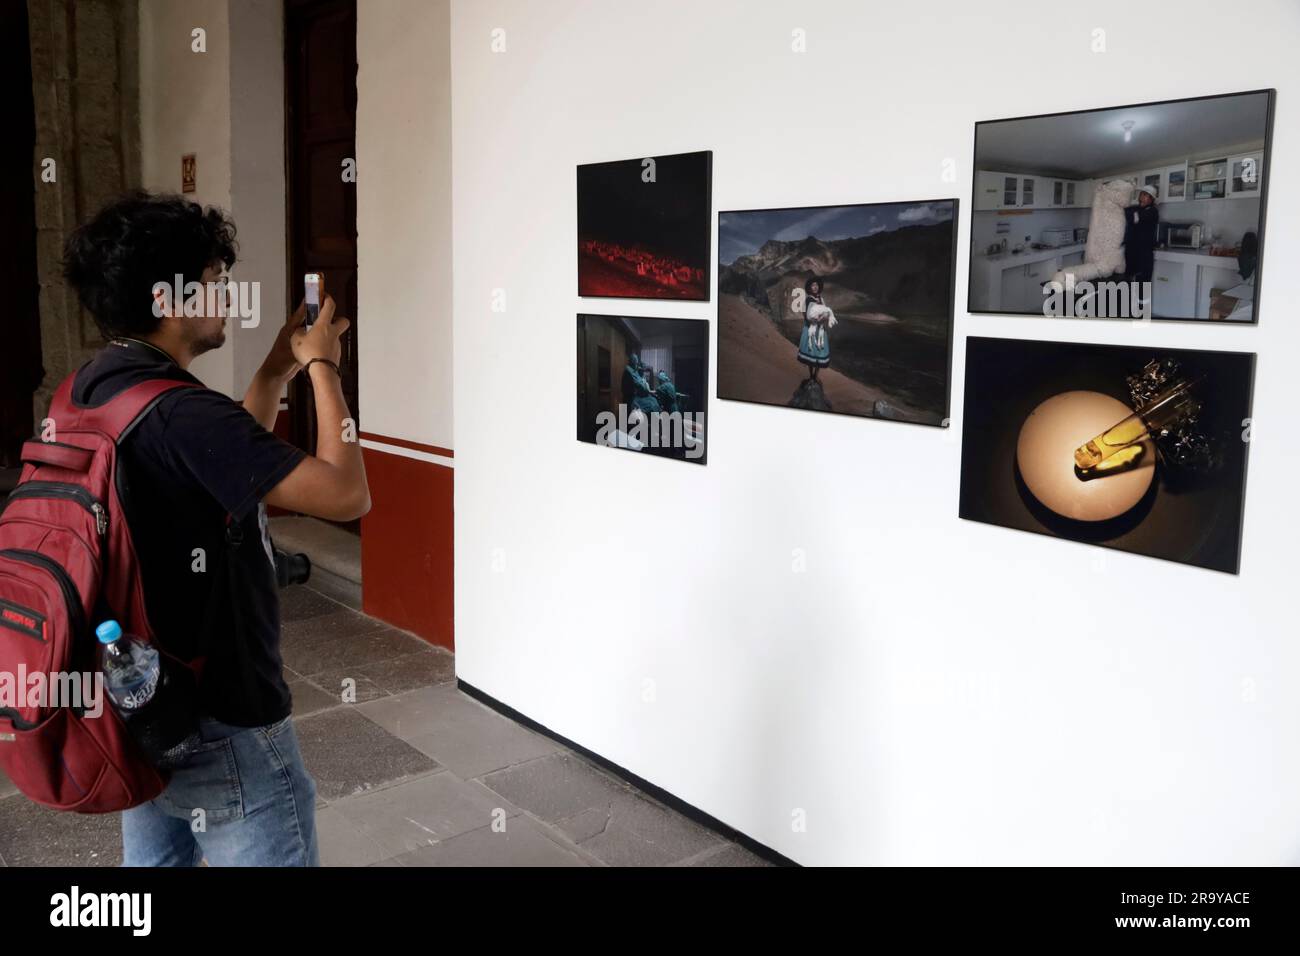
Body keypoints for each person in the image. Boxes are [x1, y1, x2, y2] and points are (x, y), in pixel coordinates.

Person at [61, 191, 371, 866]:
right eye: (213, 282)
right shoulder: (183, 414)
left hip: (142, 702)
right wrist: (324, 365)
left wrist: (278, 366)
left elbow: (218, 461)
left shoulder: (95, 388)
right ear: (169, 301)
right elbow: (346, 494)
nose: (226, 296)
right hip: (224, 720)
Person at [797, 277, 836, 380]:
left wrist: (825, 317)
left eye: (816, 285)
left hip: (820, 330)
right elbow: (805, 315)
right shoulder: (808, 299)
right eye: (813, 285)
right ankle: (811, 375)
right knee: (811, 352)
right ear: (810, 288)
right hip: (811, 329)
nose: (815, 287)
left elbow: (825, 311)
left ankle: (816, 375)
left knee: (819, 352)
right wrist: (814, 320)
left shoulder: (821, 299)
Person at [1124, 183, 1160, 285]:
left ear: (1151, 199)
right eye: (1141, 194)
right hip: (1131, 252)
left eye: (1145, 195)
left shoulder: (1152, 211)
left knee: (1142, 285)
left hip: (1144, 254)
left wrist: (1132, 214)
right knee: (1129, 283)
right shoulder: (1136, 209)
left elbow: (1134, 218)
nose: (1142, 197)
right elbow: (1128, 214)